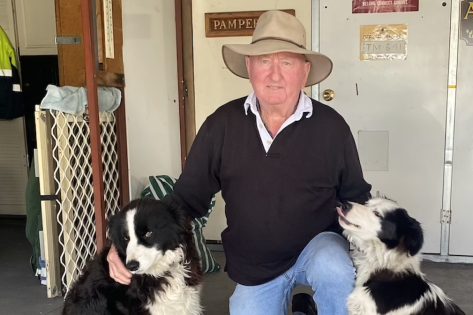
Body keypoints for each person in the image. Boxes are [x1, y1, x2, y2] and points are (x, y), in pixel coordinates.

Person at [107, 10, 371, 315]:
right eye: (263, 61)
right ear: (249, 67)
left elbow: (356, 198)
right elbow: (185, 201)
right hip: (255, 266)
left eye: (286, 62)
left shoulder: (331, 127)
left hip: (319, 249)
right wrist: (123, 246)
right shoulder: (222, 125)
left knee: (334, 269)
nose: (274, 75)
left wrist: (386, 254)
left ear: (304, 71)